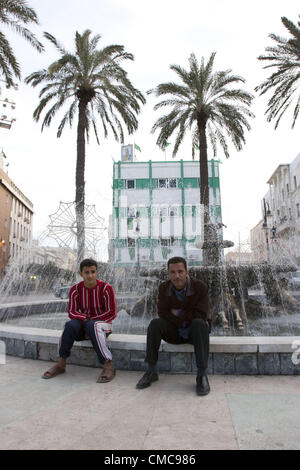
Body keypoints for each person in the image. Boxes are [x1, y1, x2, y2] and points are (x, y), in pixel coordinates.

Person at [136, 256, 211, 396]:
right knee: (155, 324)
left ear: (187, 272)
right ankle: (151, 371)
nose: (177, 276)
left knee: (200, 324)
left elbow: (202, 314)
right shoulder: (164, 287)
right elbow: (162, 312)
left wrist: (178, 313)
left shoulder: (200, 287)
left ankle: (202, 375)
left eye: (180, 271)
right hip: (175, 331)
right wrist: (185, 316)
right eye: (173, 272)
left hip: (194, 333)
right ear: (168, 273)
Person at [42, 258, 117, 383]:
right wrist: (85, 320)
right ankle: (61, 363)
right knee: (70, 325)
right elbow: (72, 312)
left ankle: (108, 365)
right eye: (86, 272)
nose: (90, 275)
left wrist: (91, 322)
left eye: (93, 272)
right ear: (81, 274)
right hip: (84, 325)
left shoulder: (106, 288)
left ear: (97, 272)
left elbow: (112, 312)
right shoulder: (75, 289)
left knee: (94, 325)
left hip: (103, 326)